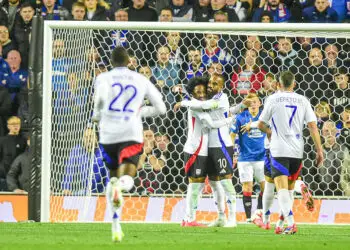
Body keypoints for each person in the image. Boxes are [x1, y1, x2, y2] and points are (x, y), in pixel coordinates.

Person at [92, 46, 166, 242]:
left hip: (108, 135)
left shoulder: (102, 78)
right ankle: (123, 187)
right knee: (129, 174)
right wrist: (139, 112)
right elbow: (161, 108)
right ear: (128, 62)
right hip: (131, 133)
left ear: (111, 61)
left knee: (113, 176)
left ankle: (116, 225)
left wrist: (97, 116)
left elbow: (98, 101)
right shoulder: (140, 79)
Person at [257, 71, 324, 234]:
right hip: (297, 151)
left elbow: (260, 124)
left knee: (280, 190)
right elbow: (313, 126)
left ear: (278, 84)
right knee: (288, 189)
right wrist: (319, 150)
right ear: (294, 84)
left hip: (278, 149)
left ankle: (291, 223)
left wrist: (270, 133)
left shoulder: (272, 99)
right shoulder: (303, 100)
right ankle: (280, 223)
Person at [230, 93, 265, 223]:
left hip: (262, 157)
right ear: (247, 104)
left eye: (255, 101)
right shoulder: (241, 117)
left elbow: (270, 131)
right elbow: (232, 135)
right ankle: (249, 217)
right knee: (247, 187)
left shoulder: (264, 117)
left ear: (260, 103)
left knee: (265, 187)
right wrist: (231, 152)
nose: (253, 104)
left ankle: (259, 211)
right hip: (245, 158)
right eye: (250, 102)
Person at [0, 116, 27, 191]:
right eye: (13, 124)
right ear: (8, 126)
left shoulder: (24, 140)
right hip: (4, 176)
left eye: (18, 124)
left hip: (19, 176)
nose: (16, 126)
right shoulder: (2, 141)